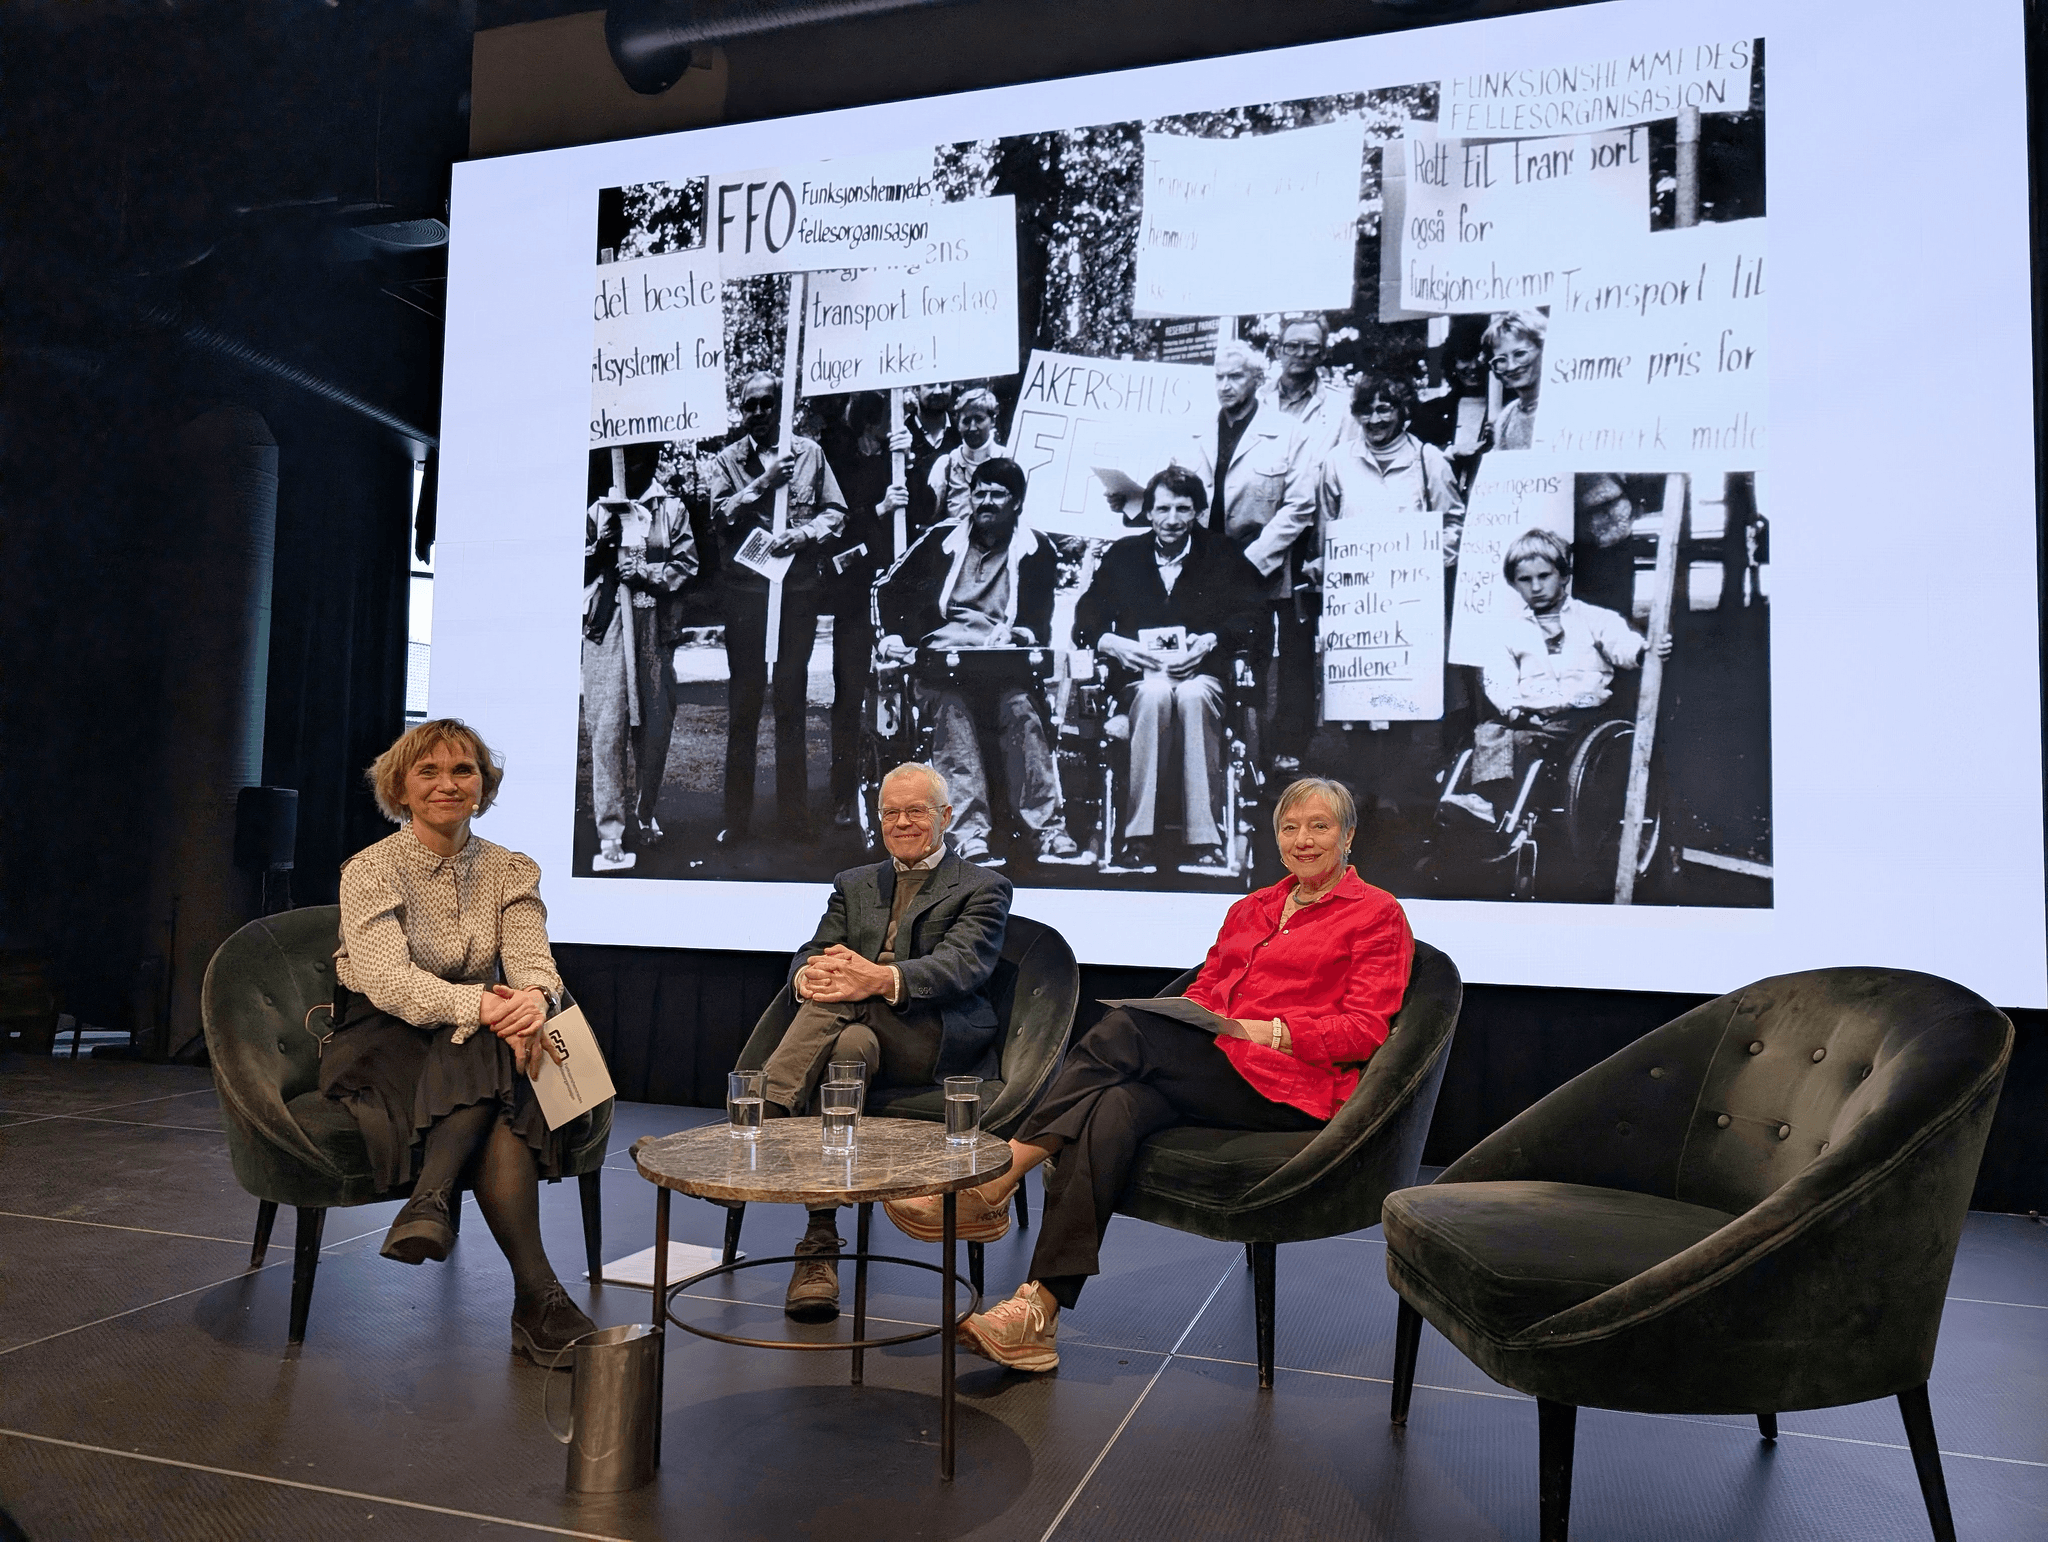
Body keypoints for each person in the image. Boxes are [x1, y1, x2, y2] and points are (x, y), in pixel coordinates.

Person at [883, 777, 1411, 1370]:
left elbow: (1365, 1028)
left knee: (1127, 1029)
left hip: (1287, 1085)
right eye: (1290, 828)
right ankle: (1038, 1312)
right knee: (1110, 1108)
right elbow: (1208, 986)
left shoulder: (1376, 914)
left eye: (1319, 827)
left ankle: (1001, 1174)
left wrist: (1275, 1031)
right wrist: (1197, 1015)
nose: (1303, 840)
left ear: (1348, 835)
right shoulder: (1252, 907)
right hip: (1213, 1069)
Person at [321, 719, 601, 1367]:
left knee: (498, 1044)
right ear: (400, 787)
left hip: (477, 1041)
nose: (447, 784)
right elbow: (388, 982)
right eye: (429, 772)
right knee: (499, 1051)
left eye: (463, 771)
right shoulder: (370, 869)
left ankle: (431, 1201)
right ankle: (540, 1302)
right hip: (383, 1035)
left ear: (482, 786)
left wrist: (531, 1001)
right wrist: (489, 1006)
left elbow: (534, 963)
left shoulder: (511, 869)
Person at [754, 761, 1013, 1322]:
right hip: (863, 1038)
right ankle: (820, 1243)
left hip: (934, 1034)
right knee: (845, 1049)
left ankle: (767, 1115)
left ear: (945, 816)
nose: (902, 823)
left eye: (915, 811)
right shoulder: (854, 883)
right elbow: (815, 949)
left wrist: (875, 979)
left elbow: (961, 967)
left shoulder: (985, 887)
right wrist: (809, 976)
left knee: (846, 996)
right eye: (890, 812)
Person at [876, 457, 1084, 867]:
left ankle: (1048, 829)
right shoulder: (941, 539)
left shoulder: (1038, 549)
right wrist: (895, 637)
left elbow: (1036, 623)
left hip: (1002, 664)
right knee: (952, 713)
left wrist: (1019, 633)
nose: (986, 501)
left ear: (1017, 503)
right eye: (979, 492)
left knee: (1022, 711)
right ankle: (969, 835)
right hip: (943, 663)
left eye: (998, 494)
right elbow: (887, 588)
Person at [1073, 466, 1261, 873]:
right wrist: (1113, 643)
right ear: (1149, 513)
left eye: (1182, 509)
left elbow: (1253, 614)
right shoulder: (1124, 555)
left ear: (1196, 512)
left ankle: (1205, 840)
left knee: (1191, 695)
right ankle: (1137, 836)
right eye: (1163, 509)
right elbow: (1086, 619)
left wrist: (1212, 640)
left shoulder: (1222, 554)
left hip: (1201, 676)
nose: (1172, 519)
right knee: (1155, 695)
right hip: (1141, 680)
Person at [706, 371, 848, 843]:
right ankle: (735, 821)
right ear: (741, 411)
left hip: (797, 592)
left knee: (791, 698)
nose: (760, 414)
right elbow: (720, 514)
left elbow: (836, 514)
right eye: (751, 406)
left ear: (782, 407)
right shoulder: (728, 461)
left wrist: (804, 534)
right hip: (747, 597)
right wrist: (765, 481)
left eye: (768, 405)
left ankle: (794, 819)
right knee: (744, 702)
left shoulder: (810, 454)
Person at [1180, 340, 1318, 779]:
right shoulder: (1196, 430)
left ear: (1259, 379)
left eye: (1235, 376)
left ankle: (1275, 753)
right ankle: (1217, 744)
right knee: (1211, 647)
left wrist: (1254, 557)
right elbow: (1175, 491)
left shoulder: (1289, 432)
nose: (1225, 385)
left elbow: (1300, 505)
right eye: (1219, 376)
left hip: (1265, 567)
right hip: (1207, 564)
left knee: (1273, 660)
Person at [1478, 529, 1670, 775]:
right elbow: (1498, 675)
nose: (1536, 587)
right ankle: (1482, 802)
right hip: (1531, 717)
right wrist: (1514, 708)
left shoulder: (1594, 618)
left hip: (1581, 717)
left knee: (1519, 743)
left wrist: (1642, 652)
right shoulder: (1510, 630)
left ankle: (1508, 804)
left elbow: (1619, 643)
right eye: (1525, 580)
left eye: (1544, 576)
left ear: (1564, 576)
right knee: (1487, 733)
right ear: (1513, 583)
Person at [582, 478, 699, 872]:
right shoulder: (599, 510)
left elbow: (687, 564)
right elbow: (567, 571)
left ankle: (645, 812)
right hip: (607, 630)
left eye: (643, 456)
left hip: (654, 628)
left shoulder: (670, 507)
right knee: (607, 728)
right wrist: (600, 547)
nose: (634, 464)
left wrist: (646, 574)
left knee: (655, 727)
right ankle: (610, 831)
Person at [820, 392, 897, 829]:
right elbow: (839, 527)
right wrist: (879, 512)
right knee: (850, 692)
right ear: (872, 421)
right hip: (853, 595)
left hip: (895, 597)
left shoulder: (901, 462)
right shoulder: (842, 463)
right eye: (888, 416)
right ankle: (843, 793)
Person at [1262, 315, 1354, 458]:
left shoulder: (1342, 407)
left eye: (1311, 346)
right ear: (1278, 351)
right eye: (1292, 346)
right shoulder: (1258, 400)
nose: (1301, 353)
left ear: (1323, 353)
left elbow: (1347, 467)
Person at [927, 387, 1008, 523]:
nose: (972, 427)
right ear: (958, 424)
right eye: (966, 421)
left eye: (979, 419)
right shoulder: (947, 464)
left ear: (993, 421)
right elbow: (929, 515)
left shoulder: (1009, 460)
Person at [1483, 310, 1546, 452]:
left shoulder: (1564, 409)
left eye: (1520, 354)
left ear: (1544, 350)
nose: (1511, 366)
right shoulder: (1507, 416)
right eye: (1501, 360)